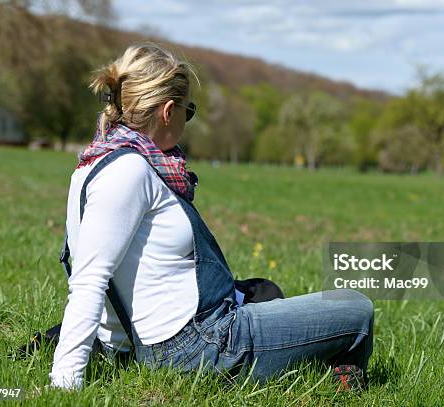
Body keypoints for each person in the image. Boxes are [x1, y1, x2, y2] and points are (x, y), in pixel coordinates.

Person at [49, 43, 375, 391]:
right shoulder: (130, 171)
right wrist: (66, 382)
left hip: (164, 337)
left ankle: (315, 368)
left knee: (264, 292)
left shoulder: (92, 164)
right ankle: (342, 380)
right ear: (168, 111)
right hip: (193, 345)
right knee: (356, 307)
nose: (186, 122)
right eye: (188, 112)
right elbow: (90, 280)